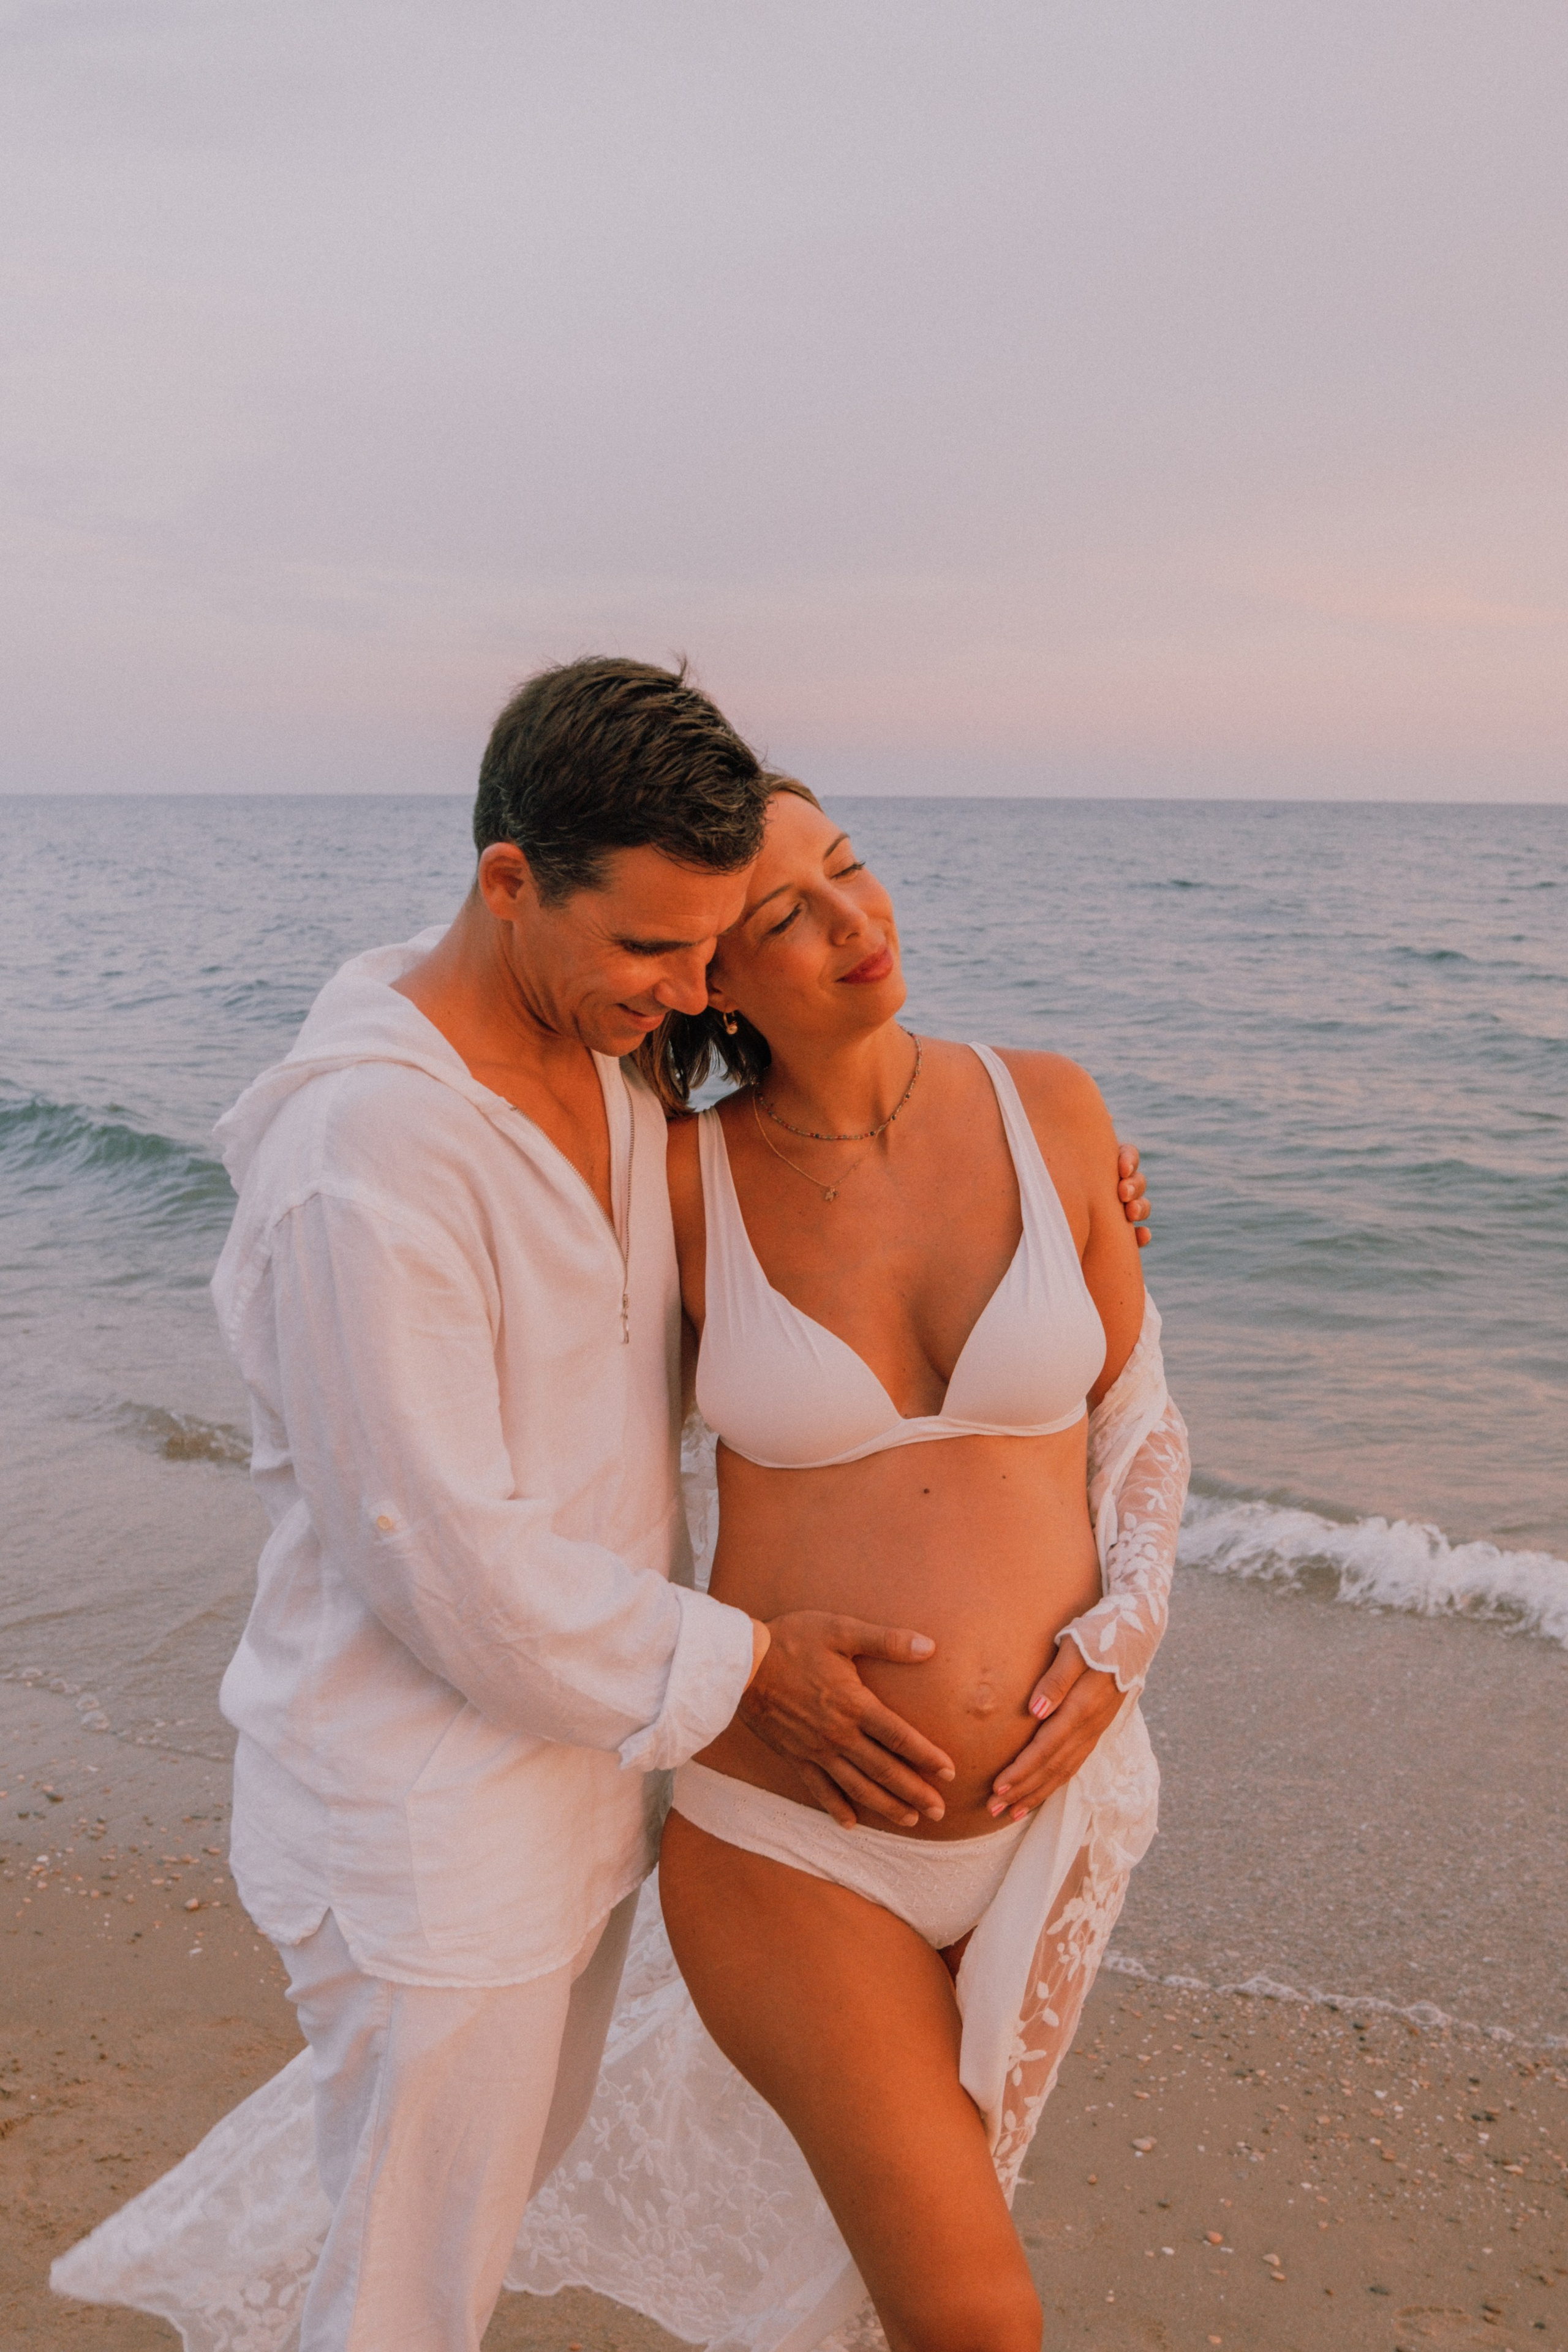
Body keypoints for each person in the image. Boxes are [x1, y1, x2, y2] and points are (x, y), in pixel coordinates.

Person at [51, 663, 1155, 2352]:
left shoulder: (621, 1089)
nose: (685, 988)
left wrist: (1087, 1191)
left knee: (445, 2262)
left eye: (713, 947)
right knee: (404, 2298)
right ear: (511, 882)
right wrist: (751, 1672)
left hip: (584, 1796)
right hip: (429, 1817)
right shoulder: (373, 1159)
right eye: (656, 949)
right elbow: (444, 1557)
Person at [506, 775, 1188, 2352]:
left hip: (1052, 1820)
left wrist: (1120, 1640)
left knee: (898, 2294)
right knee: (973, 2313)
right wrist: (719, 1666)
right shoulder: (672, 1186)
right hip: (784, 1839)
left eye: (851, 868)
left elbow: (1139, 1424)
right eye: (783, 918)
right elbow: (557, 1479)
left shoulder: (1053, 1109)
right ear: (708, 975)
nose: (855, 923)